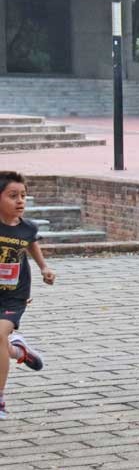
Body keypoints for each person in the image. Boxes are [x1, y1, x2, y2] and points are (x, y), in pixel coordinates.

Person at [0, 172, 55, 419]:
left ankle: (0, 399)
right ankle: (18, 351)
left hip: (15, 295)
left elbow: (31, 243)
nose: (20, 201)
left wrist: (44, 268)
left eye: (23, 195)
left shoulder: (27, 227)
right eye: (13, 196)